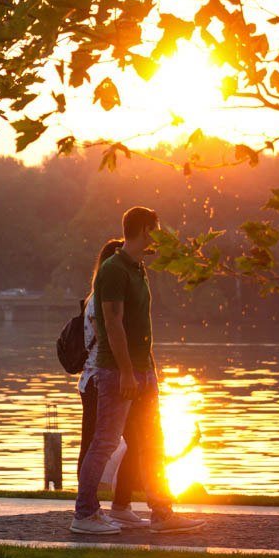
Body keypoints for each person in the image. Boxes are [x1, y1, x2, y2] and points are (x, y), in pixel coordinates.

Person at [70, 206, 204, 535]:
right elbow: (113, 324)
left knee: (152, 443)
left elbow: (140, 325)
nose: (159, 236)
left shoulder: (139, 268)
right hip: (117, 371)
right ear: (145, 230)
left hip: (145, 371)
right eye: (156, 229)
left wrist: (148, 371)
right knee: (104, 442)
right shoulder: (114, 269)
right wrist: (128, 371)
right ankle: (85, 514)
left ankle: (162, 512)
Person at [77, 238, 147, 529]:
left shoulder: (92, 299)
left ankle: (118, 504)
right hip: (101, 379)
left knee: (133, 442)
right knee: (99, 444)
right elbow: (111, 338)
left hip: (103, 377)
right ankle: (88, 509)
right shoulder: (98, 301)